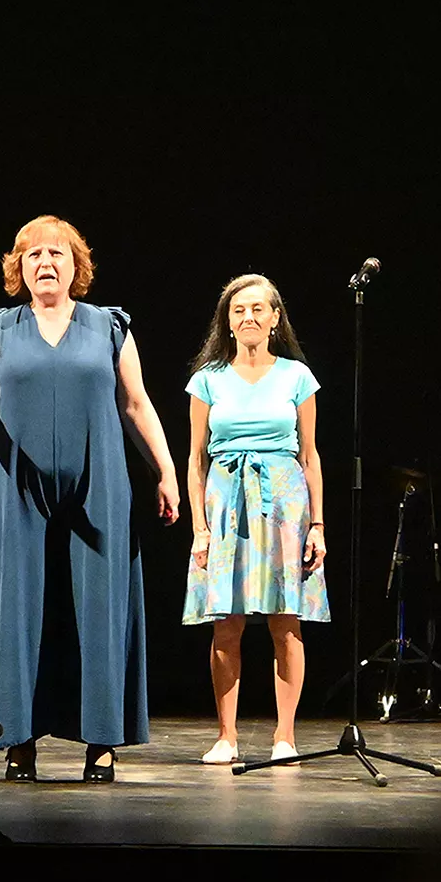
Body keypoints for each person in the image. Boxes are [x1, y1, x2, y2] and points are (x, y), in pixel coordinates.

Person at [0, 215, 180, 782]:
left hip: (98, 484)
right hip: (15, 489)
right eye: (33, 255)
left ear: (75, 264)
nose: (45, 263)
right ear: (19, 267)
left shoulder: (109, 327)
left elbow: (136, 404)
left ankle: (101, 742)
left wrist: (166, 469)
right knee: (17, 608)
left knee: (99, 606)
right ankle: (18, 739)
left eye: (56, 253)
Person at [182, 274, 327, 764]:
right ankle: (227, 736)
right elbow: (195, 460)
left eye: (257, 309)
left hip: (284, 505)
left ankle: (285, 736)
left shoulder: (296, 377)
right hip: (226, 503)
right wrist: (200, 527)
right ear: (227, 320)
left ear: (274, 318)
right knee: (226, 624)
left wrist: (318, 525)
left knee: (286, 623)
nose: (248, 317)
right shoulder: (207, 379)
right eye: (238, 309)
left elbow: (310, 456)